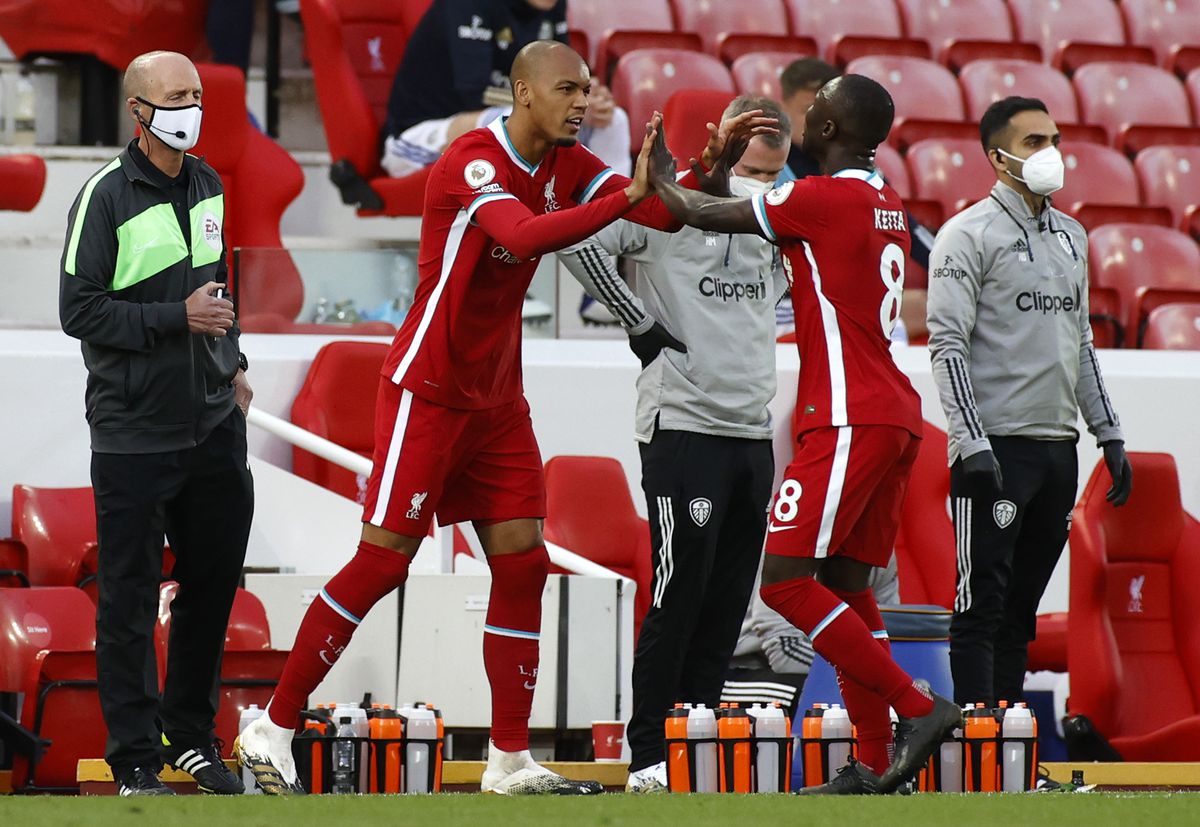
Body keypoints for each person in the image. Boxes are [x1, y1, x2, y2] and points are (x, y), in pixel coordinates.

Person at [235, 39, 768, 796]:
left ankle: (509, 759)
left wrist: (705, 169)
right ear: (521, 92)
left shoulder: (571, 162)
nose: (583, 102)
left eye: (588, 89)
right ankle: (274, 726)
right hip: (428, 389)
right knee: (383, 562)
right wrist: (623, 197)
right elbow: (521, 234)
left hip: (496, 401)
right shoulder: (473, 160)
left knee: (524, 564)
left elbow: (660, 214)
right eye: (567, 89)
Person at [645, 73, 963, 796]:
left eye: (813, 109)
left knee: (785, 582)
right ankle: (879, 765)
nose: (804, 112)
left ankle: (918, 707)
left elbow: (697, 210)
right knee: (850, 588)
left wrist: (663, 172)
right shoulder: (887, 202)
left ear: (824, 131)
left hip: (847, 414)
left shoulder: (816, 198)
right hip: (895, 415)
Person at [558, 94, 789, 794]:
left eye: (772, 172)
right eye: (749, 166)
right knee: (676, 592)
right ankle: (649, 753)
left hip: (753, 431)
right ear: (718, 142)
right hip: (683, 426)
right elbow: (573, 238)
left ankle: (696, 740)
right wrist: (637, 322)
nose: (760, 186)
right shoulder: (667, 205)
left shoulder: (777, 217)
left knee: (726, 605)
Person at [58, 51, 253, 797]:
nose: (191, 107)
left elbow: (219, 287)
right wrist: (179, 318)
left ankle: (193, 738)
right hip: (134, 432)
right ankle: (135, 757)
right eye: (176, 96)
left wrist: (232, 362)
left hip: (211, 426)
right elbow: (78, 309)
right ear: (137, 110)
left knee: (212, 584)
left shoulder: (208, 183)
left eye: (197, 94)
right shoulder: (103, 196)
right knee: (130, 600)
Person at [926, 96, 1132, 708]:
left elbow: (1082, 341)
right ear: (998, 156)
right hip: (995, 450)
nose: (1051, 153)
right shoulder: (967, 235)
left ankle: (1007, 750)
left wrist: (1109, 432)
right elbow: (947, 346)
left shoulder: (1073, 236)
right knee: (980, 603)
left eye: (1055, 139)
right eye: (1034, 141)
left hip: (1057, 450)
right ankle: (974, 751)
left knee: (1022, 611)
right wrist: (971, 442)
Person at [381, 0, 630, 179]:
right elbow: (476, 94)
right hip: (418, 140)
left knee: (611, 121)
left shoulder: (553, 6)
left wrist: (589, 97)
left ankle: (612, 232)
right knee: (507, 120)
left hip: (503, 125)